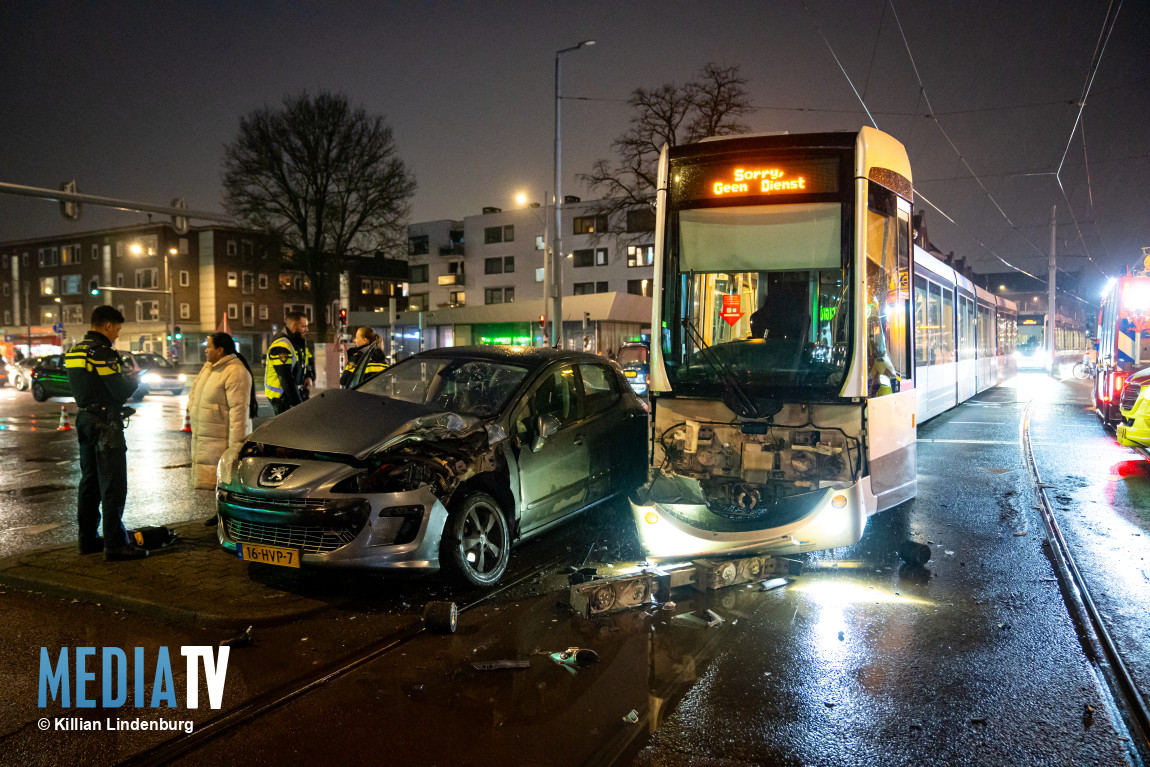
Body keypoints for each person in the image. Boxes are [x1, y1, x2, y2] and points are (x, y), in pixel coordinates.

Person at [64, 305, 148, 561]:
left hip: (85, 420)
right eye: (118, 329)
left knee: (89, 483)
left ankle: (87, 540)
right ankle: (115, 544)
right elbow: (118, 390)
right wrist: (135, 381)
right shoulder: (103, 353)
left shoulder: (74, 351)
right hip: (105, 425)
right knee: (112, 484)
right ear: (108, 325)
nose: (117, 335)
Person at [189, 333, 254, 490]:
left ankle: (223, 513)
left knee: (223, 484)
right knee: (211, 485)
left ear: (220, 350)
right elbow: (194, 394)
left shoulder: (235, 372)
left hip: (220, 443)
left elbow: (239, 414)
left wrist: (235, 451)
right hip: (205, 439)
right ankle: (217, 513)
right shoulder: (208, 368)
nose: (205, 350)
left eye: (209, 346)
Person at [264, 311, 309, 414]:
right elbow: (285, 378)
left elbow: (301, 364)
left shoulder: (295, 343)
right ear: (293, 326)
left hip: (289, 398)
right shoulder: (282, 346)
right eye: (304, 326)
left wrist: (308, 376)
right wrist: (298, 405)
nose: (307, 329)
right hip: (282, 400)